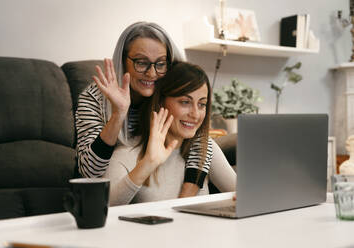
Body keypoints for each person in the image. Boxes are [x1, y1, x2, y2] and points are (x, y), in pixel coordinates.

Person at [75, 22, 213, 196]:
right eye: (141, 63)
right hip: (102, 192)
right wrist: (118, 114)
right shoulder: (95, 97)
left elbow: (200, 135)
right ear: (123, 61)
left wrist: (187, 193)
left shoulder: (164, 93)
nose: (152, 73)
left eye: (160, 64)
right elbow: (90, 173)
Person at [103, 61, 237, 206]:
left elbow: (242, 195)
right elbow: (104, 208)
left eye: (202, 104)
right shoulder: (126, 153)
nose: (196, 114)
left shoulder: (204, 148)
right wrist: (148, 163)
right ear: (160, 102)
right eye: (185, 102)